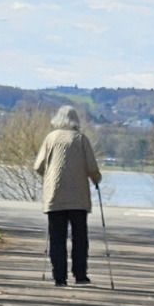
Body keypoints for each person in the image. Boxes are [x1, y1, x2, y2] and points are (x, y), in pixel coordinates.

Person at [33, 106, 103, 285]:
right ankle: (80, 275)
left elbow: (38, 166)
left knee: (57, 238)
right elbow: (92, 167)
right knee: (80, 238)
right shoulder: (81, 139)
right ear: (75, 121)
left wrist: (49, 177)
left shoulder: (51, 138)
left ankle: (59, 277)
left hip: (54, 196)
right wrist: (96, 179)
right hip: (78, 198)